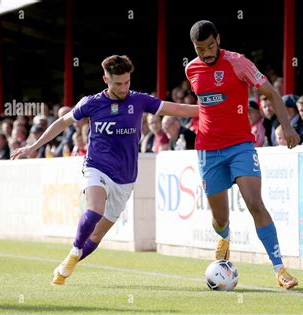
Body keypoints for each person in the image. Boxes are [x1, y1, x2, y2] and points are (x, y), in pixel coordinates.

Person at [11, 55, 199, 285]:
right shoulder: (91, 103)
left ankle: (71, 259)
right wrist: (33, 146)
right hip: (97, 167)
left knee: (97, 235)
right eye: (118, 83)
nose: (124, 88)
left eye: (127, 82)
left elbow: (178, 108)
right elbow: (62, 123)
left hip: (126, 178)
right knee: (95, 209)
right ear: (105, 80)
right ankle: (75, 250)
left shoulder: (139, 100)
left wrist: (212, 109)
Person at [186, 20, 300, 289]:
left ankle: (280, 268)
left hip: (240, 145)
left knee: (254, 202)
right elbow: (205, 108)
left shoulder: (239, 63)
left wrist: (286, 127)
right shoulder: (191, 69)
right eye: (200, 49)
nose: (207, 53)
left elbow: (270, 92)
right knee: (220, 218)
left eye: (211, 46)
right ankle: (224, 238)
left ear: (219, 39)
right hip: (207, 150)